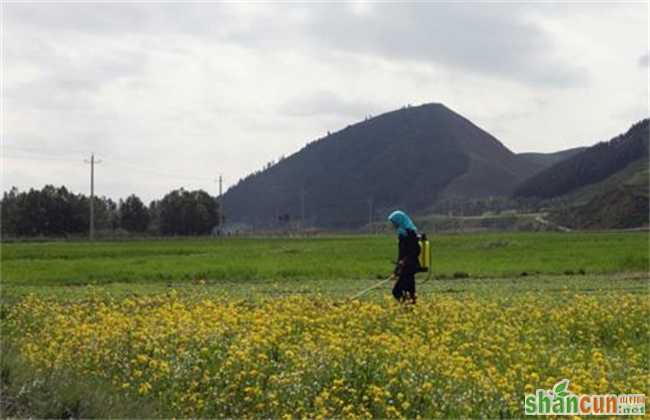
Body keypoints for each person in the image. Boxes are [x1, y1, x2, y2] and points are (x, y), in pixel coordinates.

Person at [388, 210, 420, 304]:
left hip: (409, 267)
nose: (393, 225)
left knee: (396, 291)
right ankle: (411, 311)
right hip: (406, 267)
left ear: (399, 221)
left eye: (394, 222)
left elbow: (416, 250)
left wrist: (405, 260)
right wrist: (396, 271)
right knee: (410, 292)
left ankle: (408, 308)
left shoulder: (410, 233)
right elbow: (401, 254)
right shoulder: (402, 233)